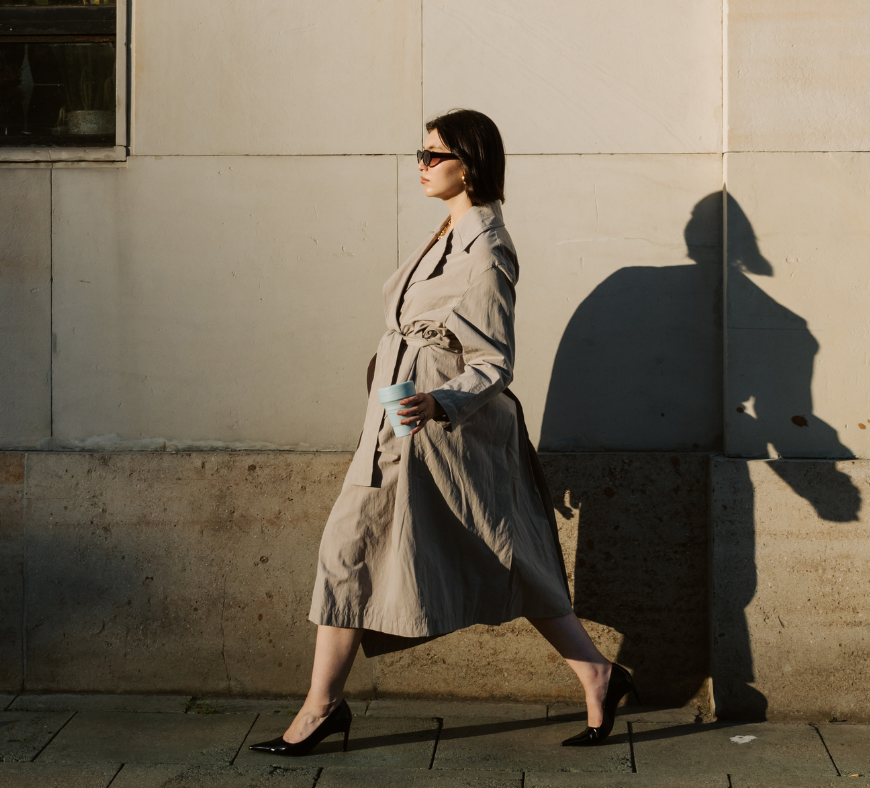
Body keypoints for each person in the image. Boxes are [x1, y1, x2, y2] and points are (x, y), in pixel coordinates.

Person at [249, 109, 638, 758]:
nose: (422, 165)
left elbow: (493, 359)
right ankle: (323, 707)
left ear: (471, 164)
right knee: (351, 549)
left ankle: (595, 672)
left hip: (440, 430)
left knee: (502, 554)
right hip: (396, 424)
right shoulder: (444, 233)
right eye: (421, 154)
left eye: (435, 156)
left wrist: (439, 401)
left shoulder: (487, 248)